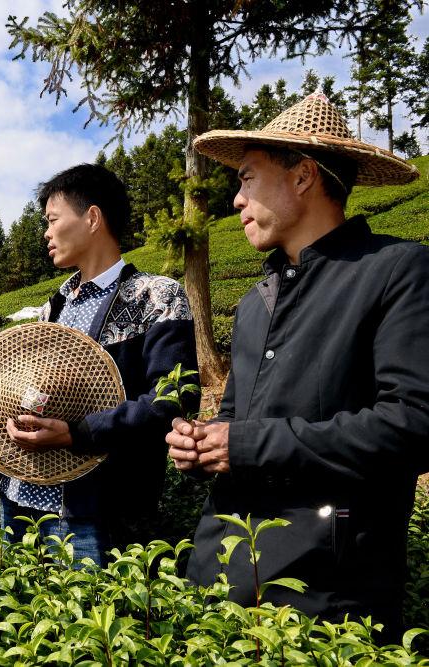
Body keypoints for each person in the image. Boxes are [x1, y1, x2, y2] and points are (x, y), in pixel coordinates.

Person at [167, 92, 427, 639]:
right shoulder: (256, 302)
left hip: (325, 596)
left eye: (247, 178)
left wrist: (247, 443)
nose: (236, 200)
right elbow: (235, 419)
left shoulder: (397, 270)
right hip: (222, 574)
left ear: (304, 176)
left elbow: (413, 424)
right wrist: (202, 445)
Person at [0, 163, 198, 565]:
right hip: (17, 502)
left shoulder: (156, 296)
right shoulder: (56, 304)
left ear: (92, 218)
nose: (46, 233)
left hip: (91, 515)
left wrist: (77, 434)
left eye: (53, 219)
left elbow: (171, 399)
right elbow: (35, 397)